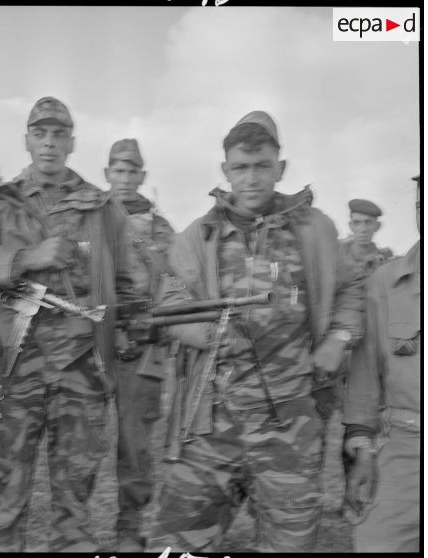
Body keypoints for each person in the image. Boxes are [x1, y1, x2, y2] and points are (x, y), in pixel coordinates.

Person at [145, 110, 364, 552]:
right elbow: (167, 305)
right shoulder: (198, 236)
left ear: (280, 168)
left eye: (262, 166)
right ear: (225, 171)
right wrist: (208, 333)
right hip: (211, 424)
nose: (251, 179)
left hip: (290, 422)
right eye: (240, 168)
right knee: (175, 543)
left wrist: (339, 339)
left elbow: (350, 288)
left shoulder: (316, 229)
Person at [0, 97, 136, 552]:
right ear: (27, 140)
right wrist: (26, 258)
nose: (49, 142)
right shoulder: (0, 205)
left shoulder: (102, 208)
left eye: (59, 133)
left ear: (72, 142)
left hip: (83, 372)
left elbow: (132, 282)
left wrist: (126, 326)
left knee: (75, 495)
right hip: (16, 371)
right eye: (40, 133)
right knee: (8, 494)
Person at [342, 175, 420, 552]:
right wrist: (362, 449)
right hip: (405, 443)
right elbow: (364, 379)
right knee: (378, 542)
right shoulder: (385, 283)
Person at [104, 138, 175, 551]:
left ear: (142, 176)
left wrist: (169, 310)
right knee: (80, 436)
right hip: (91, 345)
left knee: (135, 441)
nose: (126, 179)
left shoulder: (161, 228)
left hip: (142, 347)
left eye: (133, 172)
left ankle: (128, 527)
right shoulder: (88, 218)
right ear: (107, 174)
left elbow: (179, 277)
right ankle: (72, 525)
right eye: (118, 171)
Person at [341, 199, 393, 277]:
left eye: (368, 222)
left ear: (378, 226)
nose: (363, 229)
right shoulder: (336, 255)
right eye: (357, 223)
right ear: (350, 226)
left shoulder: (384, 260)